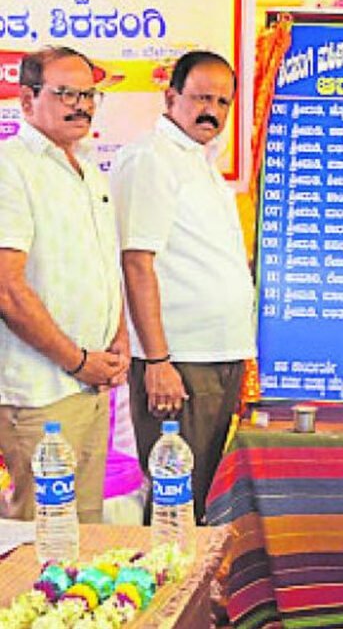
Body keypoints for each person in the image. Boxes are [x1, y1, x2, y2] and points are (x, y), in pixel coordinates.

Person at [113, 50, 255, 523]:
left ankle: (194, 593)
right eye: (199, 98)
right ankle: (170, 596)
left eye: (222, 101)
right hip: (180, 361)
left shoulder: (199, 161)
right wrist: (157, 362)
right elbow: (136, 264)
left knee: (201, 496)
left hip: (216, 355)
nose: (211, 111)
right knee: (176, 497)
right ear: (171, 97)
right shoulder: (152, 159)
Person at [0, 46, 128, 523]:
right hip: (40, 390)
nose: (83, 105)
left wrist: (117, 338)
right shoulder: (10, 168)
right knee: (39, 538)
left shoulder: (88, 168)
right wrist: (77, 361)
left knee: (86, 532)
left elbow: (98, 264)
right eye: (66, 93)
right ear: (27, 100)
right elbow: (8, 290)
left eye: (90, 94)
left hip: (91, 383)